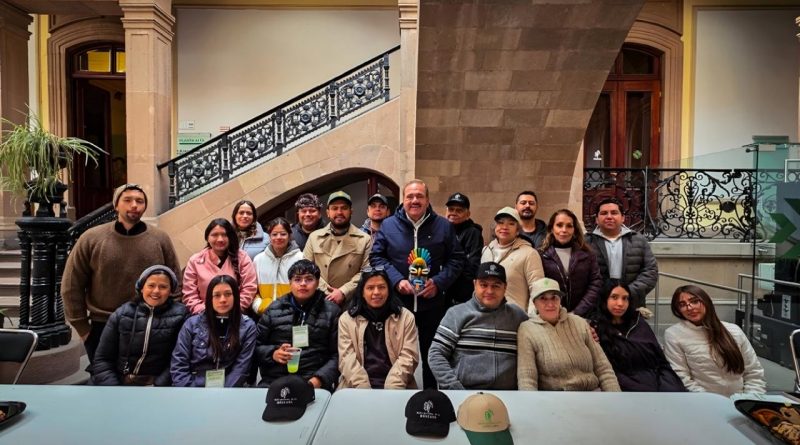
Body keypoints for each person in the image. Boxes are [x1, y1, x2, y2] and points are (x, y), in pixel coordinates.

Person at [62, 184, 181, 364]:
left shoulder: (160, 238)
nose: (134, 205)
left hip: (151, 323)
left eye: (139, 201)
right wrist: (83, 329)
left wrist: (172, 321)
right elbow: (72, 285)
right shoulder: (91, 238)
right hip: (103, 325)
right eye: (127, 200)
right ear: (116, 205)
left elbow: (176, 282)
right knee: (104, 378)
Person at [370, 179, 465, 389]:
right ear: (403, 200)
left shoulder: (444, 226)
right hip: (398, 306)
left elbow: (457, 259)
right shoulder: (388, 225)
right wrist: (396, 281)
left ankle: (431, 397)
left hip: (432, 305)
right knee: (396, 356)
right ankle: (396, 396)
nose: (414, 200)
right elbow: (377, 257)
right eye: (410, 196)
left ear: (428, 200)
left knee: (432, 357)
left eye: (419, 196)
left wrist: (438, 283)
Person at [429, 262, 528, 390]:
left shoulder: (518, 316)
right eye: (484, 285)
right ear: (474, 284)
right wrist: (455, 389)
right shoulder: (456, 314)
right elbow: (436, 354)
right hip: (465, 392)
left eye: (496, 286)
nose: (490, 291)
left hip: (508, 394)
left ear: (505, 287)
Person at [517, 278, 620, 391]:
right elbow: (527, 378)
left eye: (554, 297)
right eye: (543, 298)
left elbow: (604, 368)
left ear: (560, 300)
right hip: (555, 398)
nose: (550, 304)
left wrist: (614, 397)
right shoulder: (527, 329)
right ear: (534, 303)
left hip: (593, 393)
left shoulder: (580, 323)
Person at [92, 265, 188, 386]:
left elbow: (178, 361)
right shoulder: (122, 314)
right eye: (151, 285)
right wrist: (114, 388)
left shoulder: (181, 316)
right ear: (141, 288)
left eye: (163, 287)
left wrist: (157, 386)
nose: (156, 291)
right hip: (119, 382)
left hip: (156, 385)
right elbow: (102, 359)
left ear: (171, 291)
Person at [664, 285, 766, 396]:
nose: (690, 308)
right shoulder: (674, 335)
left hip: (741, 401)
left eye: (694, 301)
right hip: (703, 401)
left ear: (706, 301)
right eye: (682, 305)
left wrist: (749, 399)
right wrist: (713, 402)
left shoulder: (734, 330)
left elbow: (754, 372)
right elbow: (682, 378)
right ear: (678, 310)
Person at [255, 260, 341, 391]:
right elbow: (256, 347)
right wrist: (273, 353)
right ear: (290, 283)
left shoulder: (332, 312)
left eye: (309, 279)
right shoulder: (273, 310)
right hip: (275, 381)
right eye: (297, 279)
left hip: (314, 382)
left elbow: (337, 355)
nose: (303, 284)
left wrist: (319, 380)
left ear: (318, 283)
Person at [589, 280, 685, 392]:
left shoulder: (638, 322)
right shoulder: (596, 329)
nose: (620, 304)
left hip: (658, 382)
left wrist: (670, 388)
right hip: (626, 388)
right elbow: (607, 371)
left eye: (625, 298)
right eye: (614, 297)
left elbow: (660, 361)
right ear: (604, 299)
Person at [338, 266, 419, 389]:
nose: (376, 292)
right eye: (370, 288)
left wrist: (392, 388)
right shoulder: (347, 319)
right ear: (362, 292)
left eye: (381, 287)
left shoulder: (406, 317)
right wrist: (363, 388)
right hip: (356, 386)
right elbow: (346, 359)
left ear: (389, 290)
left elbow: (409, 357)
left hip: (397, 385)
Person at [171, 275, 257, 387]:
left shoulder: (248, 326)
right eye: (217, 295)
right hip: (193, 387)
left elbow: (241, 369)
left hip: (229, 389)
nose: (223, 300)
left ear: (235, 296)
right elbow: (179, 365)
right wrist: (192, 391)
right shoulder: (191, 324)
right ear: (209, 298)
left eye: (228, 294)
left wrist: (221, 393)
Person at [585, 198, 658, 308]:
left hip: (631, 304)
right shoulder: (586, 242)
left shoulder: (638, 240)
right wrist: (601, 294)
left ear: (623, 218)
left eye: (614, 213)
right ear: (597, 219)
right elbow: (580, 275)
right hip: (596, 305)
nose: (609, 217)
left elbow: (650, 271)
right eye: (604, 213)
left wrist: (627, 292)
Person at [303, 191, 372, 306]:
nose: (339, 212)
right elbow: (306, 268)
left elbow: (366, 272)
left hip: (351, 302)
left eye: (344, 208)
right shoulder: (314, 237)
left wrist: (343, 292)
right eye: (334, 208)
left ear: (351, 211)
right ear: (328, 212)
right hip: (319, 300)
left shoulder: (364, 239)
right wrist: (327, 292)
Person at [183, 218, 258, 315]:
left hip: (236, 315)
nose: (220, 239)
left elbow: (250, 287)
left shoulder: (242, 258)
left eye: (224, 235)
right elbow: (190, 294)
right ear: (207, 238)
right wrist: (208, 313)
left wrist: (232, 310)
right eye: (214, 235)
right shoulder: (195, 261)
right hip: (204, 316)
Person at [538, 209, 602, 316]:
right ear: (551, 229)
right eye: (559, 225)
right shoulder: (541, 255)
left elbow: (595, 283)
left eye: (569, 226)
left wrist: (577, 312)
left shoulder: (587, 254)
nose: (564, 230)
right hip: (551, 315)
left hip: (582, 316)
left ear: (574, 230)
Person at [480, 207, 544, 312]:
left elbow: (537, 288)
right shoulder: (486, 251)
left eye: (511, 224)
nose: (505, 227)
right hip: (486, 315)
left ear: (518, 230)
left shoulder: (529, 253)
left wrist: (531, 317)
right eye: (500, 223)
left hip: (515, 316)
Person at [251, 217, 304, 316]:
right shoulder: (258, 260)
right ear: (269, 236)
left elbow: (305, 289)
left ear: (289, 236)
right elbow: (252, 289)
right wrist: (260, 306)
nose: (278, 237)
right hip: (266, 315)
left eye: (283, 234)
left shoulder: (301, 258)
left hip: (292, 315)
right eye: (274, 234)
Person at [445, 192, 484, 305]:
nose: (454, 213)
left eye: (459, 210)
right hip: (442, 293)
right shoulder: (442, 231)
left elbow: (472, 266)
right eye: (451, 209)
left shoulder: (473, 233)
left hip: (460, 296)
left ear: (468, 214)